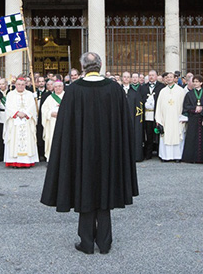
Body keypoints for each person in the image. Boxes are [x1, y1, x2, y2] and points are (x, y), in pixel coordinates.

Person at [41, 52, 138, 255]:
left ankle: (86, 242)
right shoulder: (115, 89)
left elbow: (64, 127)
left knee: (85, 190)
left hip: (81, 152)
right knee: (104, 189)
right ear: (100, 65)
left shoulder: (74, 90)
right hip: (108, 152)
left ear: (83, 66)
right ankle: (104, 242)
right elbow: (125, 124)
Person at [4, 78, 39, 168]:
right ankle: (14, 161)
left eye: (23, 84)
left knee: (27, 140)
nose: (20, 86)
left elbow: (32, 107)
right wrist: (17, 113)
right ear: (15, 85)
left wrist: (25, 114)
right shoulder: (10, 94)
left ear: (25, 85)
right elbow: (8, 106)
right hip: (14, 121)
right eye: (19, 84)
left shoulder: (30, 94)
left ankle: (27, 161)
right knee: (14, 140)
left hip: (26, 121)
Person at [154, 72, 187, 162]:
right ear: (165, 79)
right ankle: (165, 156)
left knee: (177, 135)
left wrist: (183, 117)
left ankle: (177, 156)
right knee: (165, 136)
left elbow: (184, 105)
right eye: (167, 77)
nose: (169, 79)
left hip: (177, 118)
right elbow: (159, 106)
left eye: (171, 77)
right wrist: (158, 119)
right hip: (165, 119)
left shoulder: (180, 90)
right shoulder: (162, 91)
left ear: (175, 78)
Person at [181, 74, 203, 164]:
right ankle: (191, 158)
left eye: (197, 82)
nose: (195, 83)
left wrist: (202, 108)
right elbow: (185, 106)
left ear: (201, 83)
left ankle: (202, 158)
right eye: (194, 82)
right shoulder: (189, 94)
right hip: (193, 118)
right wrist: (194, 108)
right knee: (192, 137)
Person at [138, 70, 164, 160]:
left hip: (157, 114)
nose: (151, 77)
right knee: (148, 134)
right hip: (147, 114)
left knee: (159, 133)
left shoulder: (161, 87)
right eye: (149, 75)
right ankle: (148, 154)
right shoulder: (143, 87)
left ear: (156, 76)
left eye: (153, 75)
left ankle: (159, 153)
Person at [121, 71, 144, 162]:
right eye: (124, 77)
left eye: (127, 77)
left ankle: (134, 156)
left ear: (130, 79)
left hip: (132, 119)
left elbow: (139, 109)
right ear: (122, 78)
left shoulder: (135, 93)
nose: (126, 79)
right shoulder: (117, 91)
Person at [42, 80, 64, 163]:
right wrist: (51, 113)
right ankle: (52, 160)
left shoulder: (67, 96)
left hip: (64, 122)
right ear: (53, 88)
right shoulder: (50, 98)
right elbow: (44, 110)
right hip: (52, 123)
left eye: (60, 86)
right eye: (56, 86)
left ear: (63, 87)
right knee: (52, 140)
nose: (58, 88)